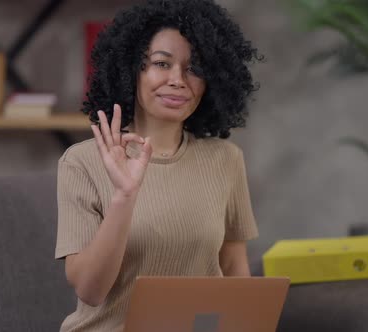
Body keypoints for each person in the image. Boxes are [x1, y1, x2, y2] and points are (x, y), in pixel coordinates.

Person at [55, 0, 263, 331]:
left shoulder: (226, 160)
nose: (178, 80)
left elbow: (235, 267)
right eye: (161, 63)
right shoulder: (83, 162)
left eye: (195, 68)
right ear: (131, 70)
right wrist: (124, 197)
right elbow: (90, 291)